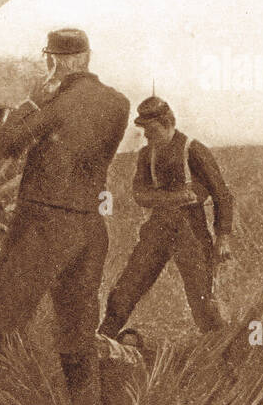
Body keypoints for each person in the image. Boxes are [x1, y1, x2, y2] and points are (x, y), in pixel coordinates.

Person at [0, 28, 131, 405]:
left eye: (49, 60)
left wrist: (34, 98)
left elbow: (6, 143)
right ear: (87, 57)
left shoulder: (56, 102)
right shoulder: (118, 103)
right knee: (77, 327)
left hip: (45, 228)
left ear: (54, 62)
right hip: (88, 229)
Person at [98, 96, 234, 338]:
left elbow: (222, 195)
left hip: (190, 231)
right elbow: (139, 194)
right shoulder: (145, 155)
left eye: (151, 131)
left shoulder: (193, 149)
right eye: (144, 132)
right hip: (157, 229)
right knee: (127, 287)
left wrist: (222, 236)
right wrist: (174, 198)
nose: (147, 137)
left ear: (168, 123)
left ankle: (220, 350)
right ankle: (104, 338)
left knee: (202, 300)